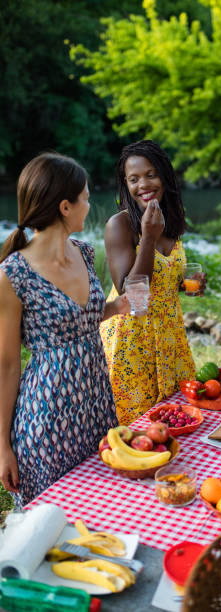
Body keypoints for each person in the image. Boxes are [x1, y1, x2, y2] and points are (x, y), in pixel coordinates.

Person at [0, 152, 131, 507]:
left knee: (105, 511)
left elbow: (77, 321)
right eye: (86, 198)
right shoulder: (14, 273)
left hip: (97, 406)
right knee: (52, 528)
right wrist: (3, 447)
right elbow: (7, 365)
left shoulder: (85, 253)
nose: (89, 205)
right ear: (65, 207)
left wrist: (114, 308)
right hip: (46, 419)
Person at [100, 140, 203, 425]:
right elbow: (131, 293)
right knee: (136, 428)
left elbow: (164, 280)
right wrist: (147, 237)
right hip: (133, 342)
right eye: (133, 179)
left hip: (170, 338)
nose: (142, 184)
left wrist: (185, 284)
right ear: (126, 184)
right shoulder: (119, 225)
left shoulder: (169, 221)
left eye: (150, 174)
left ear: (165, 177)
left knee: (176, 421)